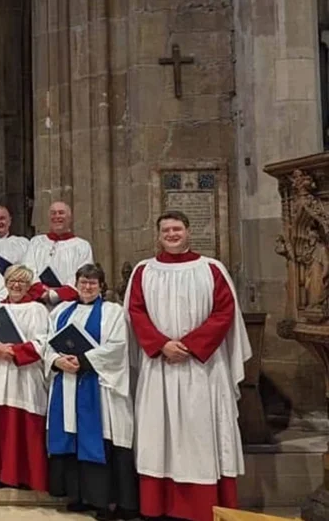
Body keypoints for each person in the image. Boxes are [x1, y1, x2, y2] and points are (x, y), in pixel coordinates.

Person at [125, 211, 250, 521]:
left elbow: (224, 312)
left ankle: (204, 508)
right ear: (157, 235)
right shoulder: (143, 270)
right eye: (166, 229)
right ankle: (159, 506)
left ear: (188, 231)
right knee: (159, 434)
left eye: (177, 228)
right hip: (160, 367)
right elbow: (135, 312)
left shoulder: (211, 269)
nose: (171, 234)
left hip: (201, 370)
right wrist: (161, 345)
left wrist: (192, 346)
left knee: (199, 435)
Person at [45, 264, 137, 520]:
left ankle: (107, 501)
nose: (87, 287)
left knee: (101, 440)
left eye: (92, 283)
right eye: (83, 282)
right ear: (76, 283)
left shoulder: (113, 312)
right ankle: (81, 496)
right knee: (72, 439)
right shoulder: (61, 311)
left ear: (101, 286)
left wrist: (84, 360)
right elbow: (47, 341)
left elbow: (118, 347)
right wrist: (56, 361)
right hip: (67, 383)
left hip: (100, 389)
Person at [0, 265, 50, 492]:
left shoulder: (37, 310)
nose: (16, 285)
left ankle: (26, 476)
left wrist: (16, 352)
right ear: (5, 282)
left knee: (24, 424)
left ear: (29, 285)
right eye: (12, 280)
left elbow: (43, 341)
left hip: (24, 375)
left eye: (21, 281)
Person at [25, 201, 94, 305]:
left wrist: (55, 294)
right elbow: (28, 269)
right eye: (53, 213)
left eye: (61, 213)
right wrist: (41, 291)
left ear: (70, 218)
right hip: (38, 302)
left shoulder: (82, 246)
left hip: (68, 304)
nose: (57, 216)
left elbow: (83, 275)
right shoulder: (36, 242)